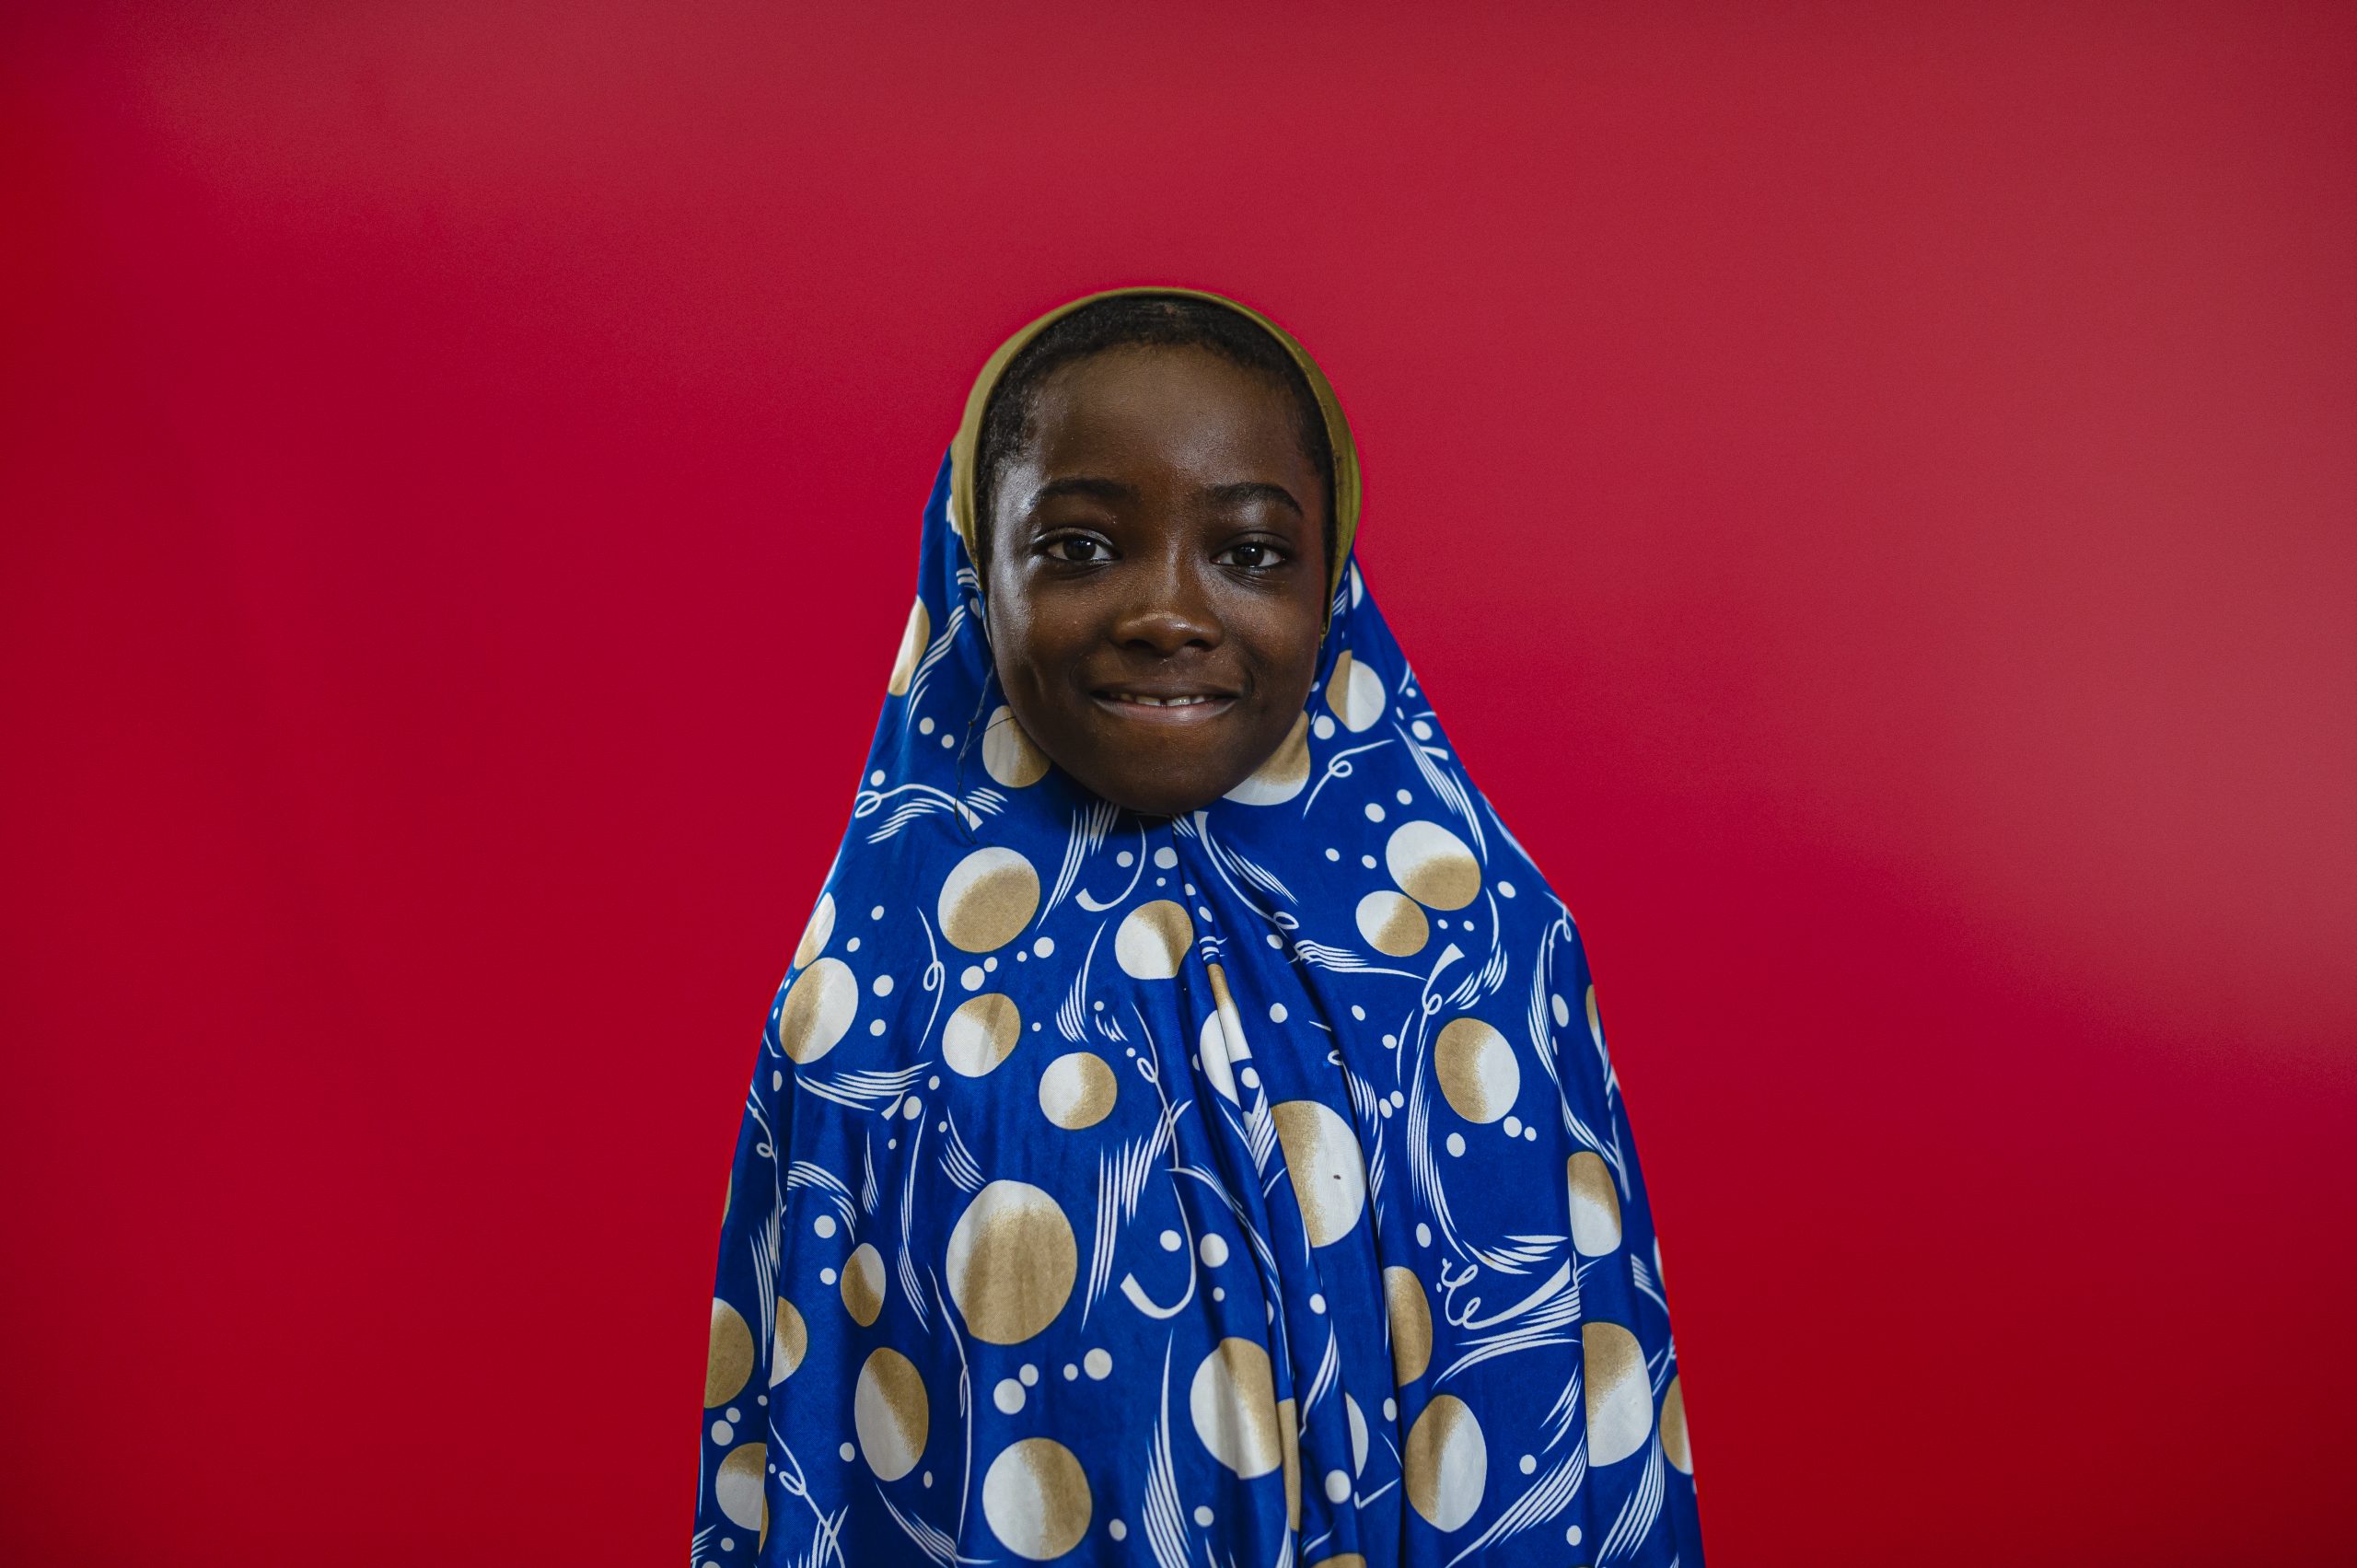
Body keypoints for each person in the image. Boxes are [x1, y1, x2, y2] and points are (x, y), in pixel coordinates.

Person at [692, 288, 1701, 1567]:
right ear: (969, 566)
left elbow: (1573, 1437)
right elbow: (804, 1464)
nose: (1166, 610)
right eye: (1078, 547)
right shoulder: (867, 1002)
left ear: (1334, 582)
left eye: (1252, 552)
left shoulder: (1483, 957)